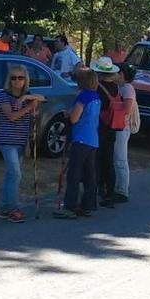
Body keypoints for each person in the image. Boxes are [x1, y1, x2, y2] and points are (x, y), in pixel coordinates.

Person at [0, 63, 45, 223]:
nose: (17, 81)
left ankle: (3, 208)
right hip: (7, 141)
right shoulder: (3, 96)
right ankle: (13, 209)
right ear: (9, 80)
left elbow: (44, 98)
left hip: (21, 141)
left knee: (10, 176)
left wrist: (25, 97)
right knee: (15, 174)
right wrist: (29, 106)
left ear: (25, 80)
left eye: (20, 78)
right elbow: (11, 116)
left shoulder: (27, 95)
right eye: (13, 78)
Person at [54, 67, 100, 219]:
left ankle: (70, 207)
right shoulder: (96, 96)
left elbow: (75, 118)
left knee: (74, 174)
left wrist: (68, 114)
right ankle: (87, 205)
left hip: (80, 138)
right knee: (89, 174)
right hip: (92, 139)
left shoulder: (83, 96)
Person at [93, 57, 121, 208]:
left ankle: (96, 190)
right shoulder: (116, 88)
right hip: (112, 127)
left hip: (100, 127)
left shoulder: (98, 88)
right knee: (109, 161)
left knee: (97, 160)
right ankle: (110, 193)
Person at [112, 63, 137, 201]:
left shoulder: (127, 88)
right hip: (117, 126)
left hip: (122, 127)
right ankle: (117, 186)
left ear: (121, 74)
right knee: (116, 158)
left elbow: (127, 109)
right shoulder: (121, 87)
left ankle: (122, 190)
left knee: (120, 159)